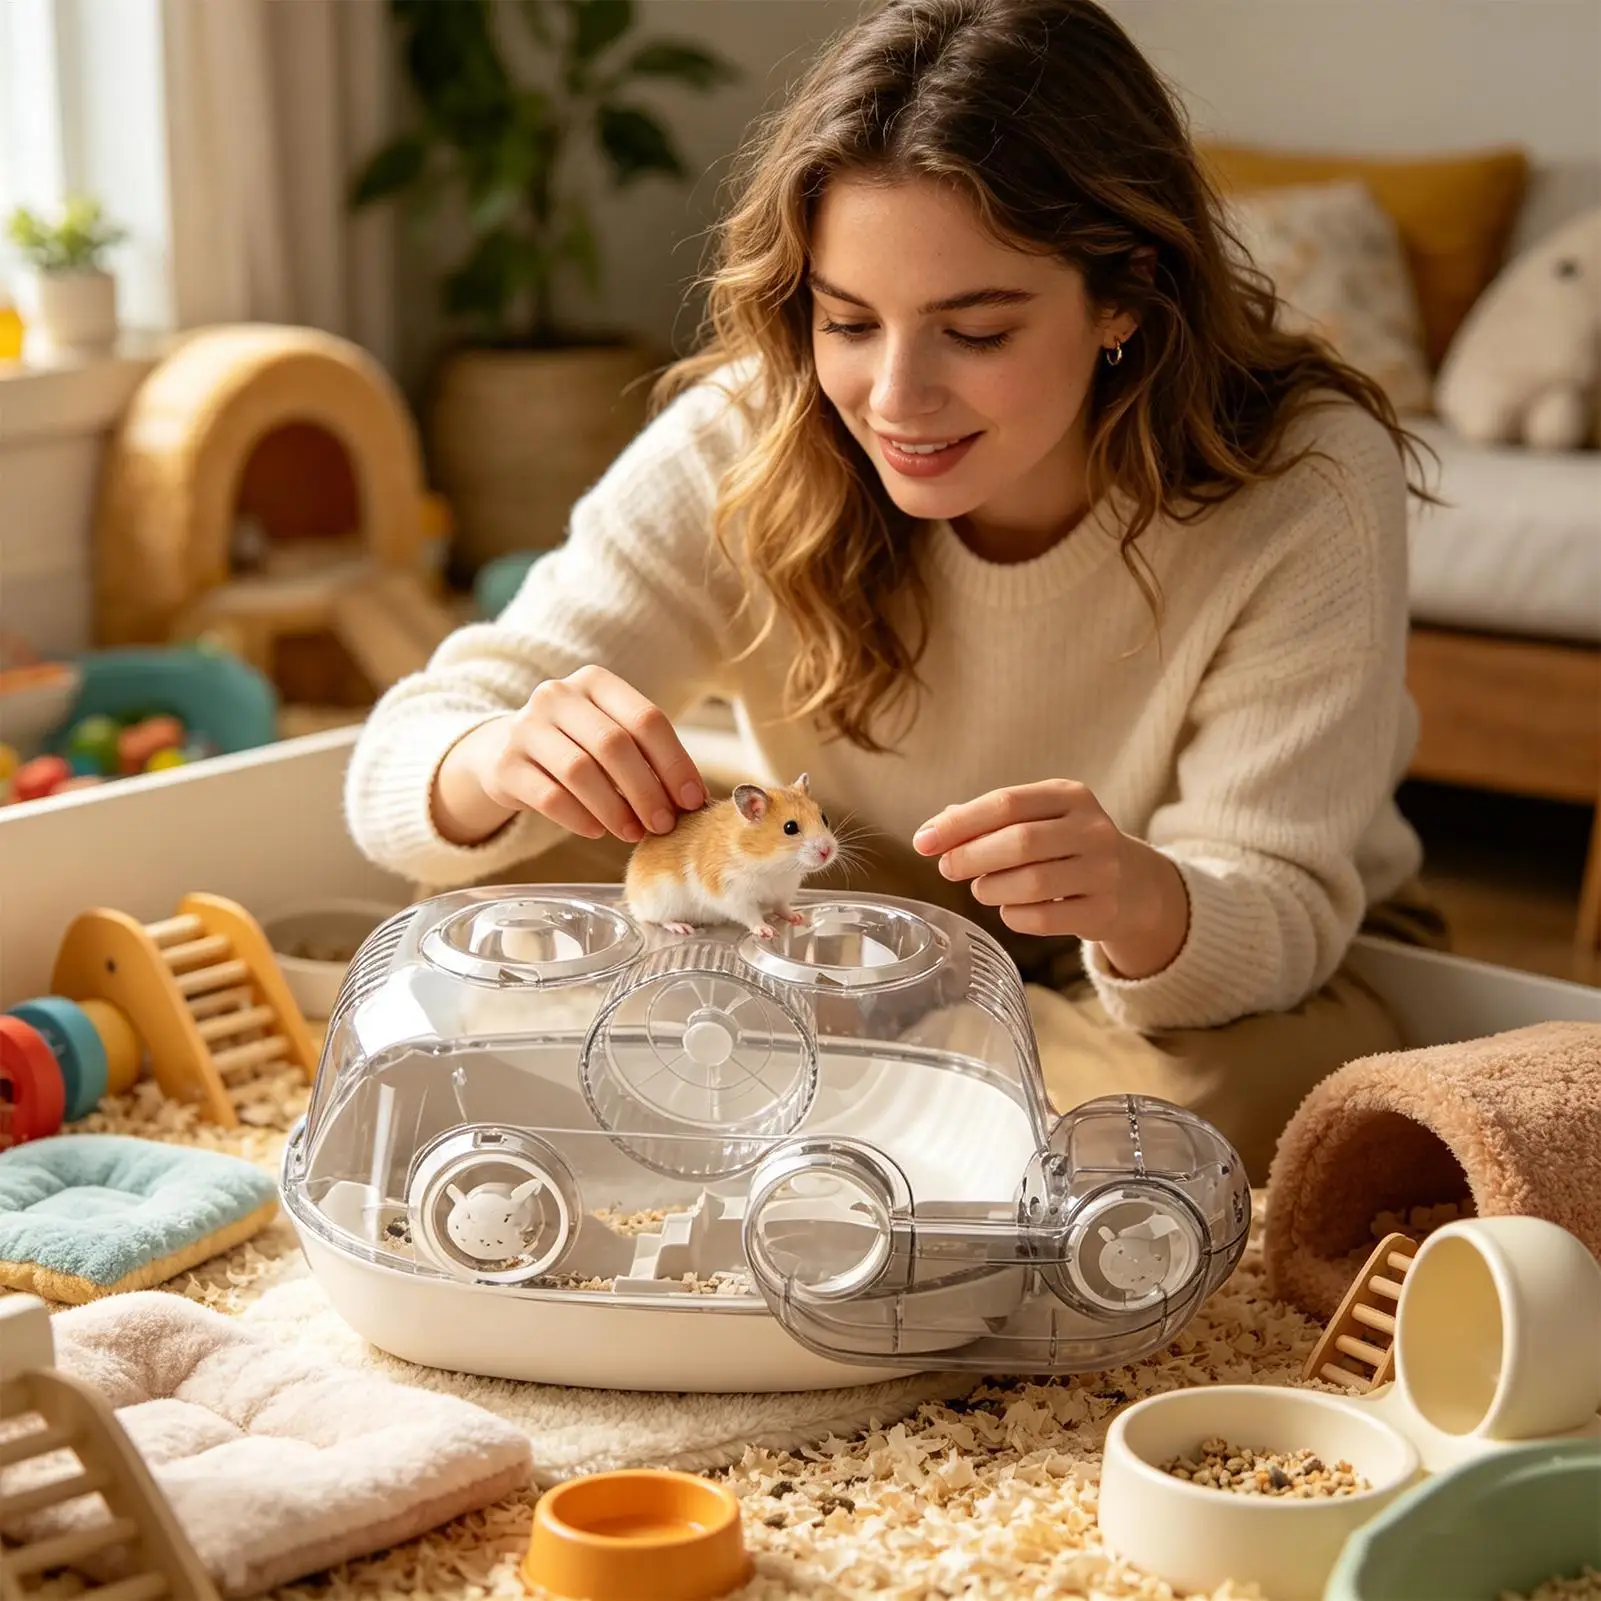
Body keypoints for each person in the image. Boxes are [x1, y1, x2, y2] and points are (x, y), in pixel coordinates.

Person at [347, 0, 1447, 1180]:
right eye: (848, 322)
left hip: (1174, 955)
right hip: (856, 890)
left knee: (1203, 1101)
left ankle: (819, 1084)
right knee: (492, 867)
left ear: (1124, 293)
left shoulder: (1302, 477)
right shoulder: (750, 433)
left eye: (975, 332)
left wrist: (1133, 894)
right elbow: (403, 758)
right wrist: (503, 755)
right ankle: (917, 1103)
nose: (893, 398)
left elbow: (1273, 906)